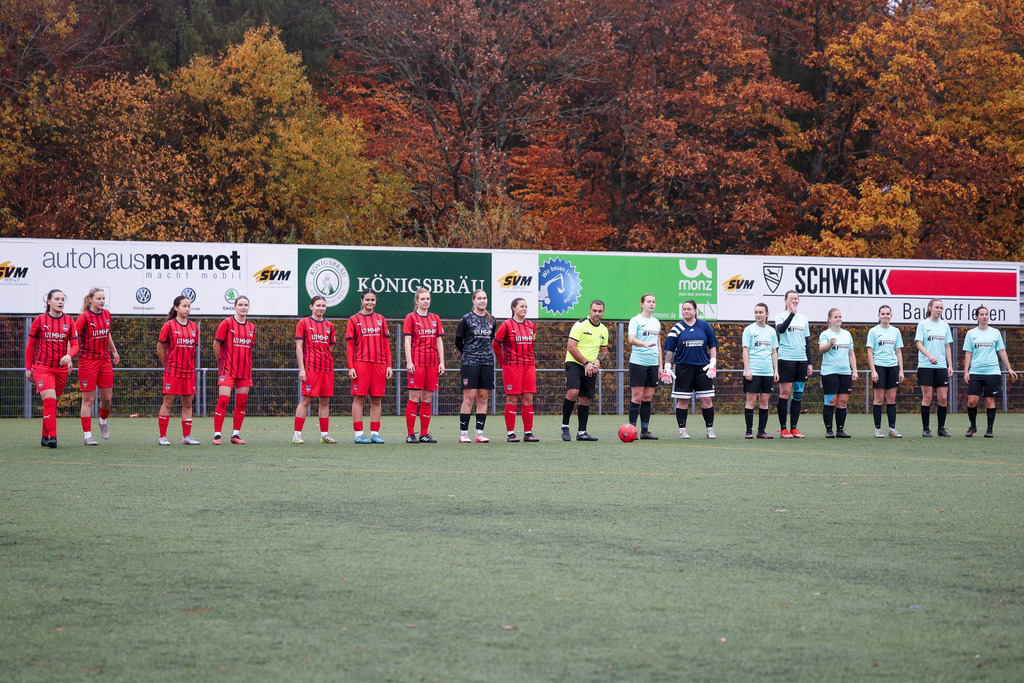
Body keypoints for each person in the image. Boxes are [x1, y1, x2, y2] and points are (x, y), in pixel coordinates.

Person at [25, 289, 79, 448]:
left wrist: (69, 355)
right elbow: (30, 346)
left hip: (60, 369)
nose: (61, 301)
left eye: (63, 299)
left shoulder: (69, 321)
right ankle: (53, 437)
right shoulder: (39, 320)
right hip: (42, 367)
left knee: (53, 403)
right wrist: (29, 368)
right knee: (49, 400)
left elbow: (75, 345)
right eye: (57, 299)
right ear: (49, 302)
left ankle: (44, 436)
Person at [664, 300, 718, 439]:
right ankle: (682, 430)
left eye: (689, 309)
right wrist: (667, 366)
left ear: (695, 311)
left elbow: (712, 345)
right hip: (683, 368)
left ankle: (710, 429)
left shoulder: (704, 326)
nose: (686, 311)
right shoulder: (676, 328)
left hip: (703, 368)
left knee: (706, 399)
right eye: (684, 309)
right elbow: (670, 349)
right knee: (683, 401)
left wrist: (713, 362)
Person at [962, 305, 1018, 437]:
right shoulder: (971, 334)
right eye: (981, 314)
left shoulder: (995, 332)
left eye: (986, 314)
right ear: (977, 317)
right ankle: (973, 426)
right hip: (975, 372)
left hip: (992, 372)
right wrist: (966, 371)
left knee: (989, 401)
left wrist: (1009, 368)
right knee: (971, 401)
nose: (984, 316)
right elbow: (968, 353)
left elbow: (1002, 351)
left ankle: (989, 430)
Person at [347, 288, 393, 444]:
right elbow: (350, 346)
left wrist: (389, 365)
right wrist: (351, 367)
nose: (370, 303)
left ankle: (375, 433)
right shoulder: (354, 319)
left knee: (376, 400)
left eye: (372, 300)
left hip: (379, 364)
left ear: (376, 301)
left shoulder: (381, 319)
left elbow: (386, 344)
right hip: (361, 364)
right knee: (359, 398)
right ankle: (359, 434)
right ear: (362, 300)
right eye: (367, 299)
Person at [75, 287, 119, 445]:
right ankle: (87, 436)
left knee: (107, 399)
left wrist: (114, 351)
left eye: (103, 298)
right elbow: (73, 338)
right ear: (90, 300)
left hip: (105, 360)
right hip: (87, 362)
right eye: (99, 298)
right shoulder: (84, 318)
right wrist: (68, 355)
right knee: (88, 400)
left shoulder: (107, 315)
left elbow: (106, 334)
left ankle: (102, 422)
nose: (102, 301)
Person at [561, 300, 609, 441]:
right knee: (573, 392)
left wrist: (599, 361)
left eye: (600, 311)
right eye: (594, 310)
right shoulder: (580, 325)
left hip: (591, 366)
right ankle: (565, 426)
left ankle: (582, 432)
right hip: (574, 363)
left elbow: (604, 351)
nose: (597, 313)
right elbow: (571, 347)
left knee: (586, 398)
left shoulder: (604, 330)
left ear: (603, 312)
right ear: (589, 310)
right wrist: (586, 363)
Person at [494, 297, 539, 442]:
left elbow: (532, 343)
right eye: (521, 306)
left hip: (528, 366)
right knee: (512, 399)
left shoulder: (531, 326)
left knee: (528, 399)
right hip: (512, 367)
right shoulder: (506, 325)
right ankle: (511, 433)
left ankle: (528, 433)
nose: (524, 309)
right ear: (514, 308)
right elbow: (496, 345)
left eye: (526, 306)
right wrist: (503, 363)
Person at [293, 295, 337, 444]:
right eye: (318, 305)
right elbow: (299, 347)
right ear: (311, 307)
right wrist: (302, 369)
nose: (321, 308)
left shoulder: (330, 326)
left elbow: (330, 347)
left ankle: (324, 435)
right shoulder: (303, 323)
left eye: (323, 306)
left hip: (327, 368)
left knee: (325, 401)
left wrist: (324, 357)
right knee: (306, 400)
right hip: (311, 368)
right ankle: (297, 434)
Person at [403, 288, 444, 444]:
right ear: (417, 301)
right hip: (417, 362)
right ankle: (410, 434)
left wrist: (442, 362)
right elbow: (407, 341)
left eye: (428, 298)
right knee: (414, 398)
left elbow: (439, 340)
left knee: (427, 399)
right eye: (423, 299)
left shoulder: (435, 318)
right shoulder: (411, 318)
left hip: (432, 363)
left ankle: (424, 434)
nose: (426, 301)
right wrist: (409, 361)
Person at [157, 295, 199, 446]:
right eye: (184, 306)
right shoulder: (168, 326)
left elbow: (193, 350)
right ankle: (162, 436)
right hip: (173, 371)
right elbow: (160, 348)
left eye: (189, 306)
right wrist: (167, 365)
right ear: (176, 308)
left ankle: (186, 437)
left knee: (188, 404)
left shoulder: (194, 327)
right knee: (168, 403)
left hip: (188, 372)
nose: (187, 309)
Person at [212, 295, 255, 445]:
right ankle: (217, 435)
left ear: (249, 307)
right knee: (224, 399)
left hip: (244, 371)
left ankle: (235, 434)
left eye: (246, 305)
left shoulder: (251, 327)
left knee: (241, 403)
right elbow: (216, 345)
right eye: (240, 304)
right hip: (228, 369)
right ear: (235, 307)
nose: (243, 307)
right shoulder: (226, 323)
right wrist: (221, 363)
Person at [455, 289, 496, 443]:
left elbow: (491, 339)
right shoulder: (466, 319)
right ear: (473, 300)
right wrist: (468, 354)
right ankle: (463, 434)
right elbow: (458, 341)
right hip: (470, 362)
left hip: (487, 362)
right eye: (479, 298)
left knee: (483, 397)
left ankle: (479, 433)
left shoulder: (492, 320)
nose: (482, 301)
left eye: (484, 298)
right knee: (469, 398)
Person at [775, 290, 813, 438]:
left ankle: (794, 429)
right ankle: (784, 429)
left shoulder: (804, 319)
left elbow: (807, 342)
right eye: (791, 299)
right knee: (785, 395)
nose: (794, 301)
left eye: (796, 299)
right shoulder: (780, 316)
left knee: (798, 395)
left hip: (801, 361)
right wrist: (791, 313)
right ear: (786, 300)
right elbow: (781, 329)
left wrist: (809, 362)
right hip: (786, 360)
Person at [626, 293, 663, 439]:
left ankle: (645, 431)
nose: (651, 304)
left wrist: (660, 366)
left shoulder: (656, 322)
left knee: (648, 397)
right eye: (648, 301)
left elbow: (659, 345)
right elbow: (631, 339)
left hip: (653, 364)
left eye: (654, 301)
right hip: (638, 363)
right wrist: (644, 344)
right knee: (637, 397)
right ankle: (631, 431)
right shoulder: (635, 320)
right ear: (642, 303)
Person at [915, 298, 953, 437]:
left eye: (941, 308)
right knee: (928, 397)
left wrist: (950, 365)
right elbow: (919, 344)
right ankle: (926, 429)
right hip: (926, 366)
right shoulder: (923, 325)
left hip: (941, 366)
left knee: (943, 398)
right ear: (930, 307)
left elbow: (947, 346)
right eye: (936, 307)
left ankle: (941, 429)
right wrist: (929, 356)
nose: (939, 310)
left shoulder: (945, 326)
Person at [865, 305, 904, 438]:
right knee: (879, 399)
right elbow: (870, 352)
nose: (885, 316)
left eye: (888, 314)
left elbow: (898, 351)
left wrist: (901, 370)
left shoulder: (896, 331)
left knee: (891, 399)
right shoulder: (873, 331)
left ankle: (892, 429)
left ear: (891, 315)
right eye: (883, 314)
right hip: (879, 366)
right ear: (879, 315)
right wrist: (873, 370)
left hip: (893, 367)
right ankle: (877, 429)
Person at [741, 302, 779, 439]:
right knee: (751, 401)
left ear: (767, 314)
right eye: (756, 312)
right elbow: (745, 350)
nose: (758, 315)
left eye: (761, 312)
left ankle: (761, 431)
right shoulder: (749, 330)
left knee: (764, 402)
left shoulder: (771, 331)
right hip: (753, 371)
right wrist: (747, 370)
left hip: (767, 372)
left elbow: (774, 352)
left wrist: (776, 370)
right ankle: (748, 431)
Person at [818, 308, 858, 438]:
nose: (838, 319)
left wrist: (854, 370)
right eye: (835, 317)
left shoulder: (847, 334)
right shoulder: (825, 334)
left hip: (845, 372)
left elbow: (851, 353)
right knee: (831, 401)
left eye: (840, 316)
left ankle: (840, 430)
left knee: (843, 402)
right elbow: (821, 350)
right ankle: (829, 430)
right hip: (829, 372)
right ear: (829, 319)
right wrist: (830, 343)